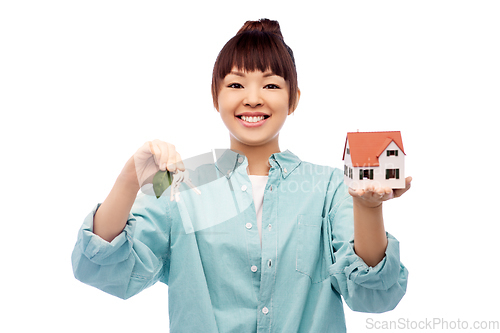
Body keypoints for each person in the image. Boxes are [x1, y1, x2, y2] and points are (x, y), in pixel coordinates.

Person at [72, 18, 411, 332]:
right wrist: (131, 180)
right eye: (236, 83)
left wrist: (369, 209)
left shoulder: (330, 187)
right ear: (215, 96)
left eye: (271, 86)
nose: (252, 99)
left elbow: (373, 294)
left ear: (293, 99)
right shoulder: (177, 177)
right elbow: (102, 269)